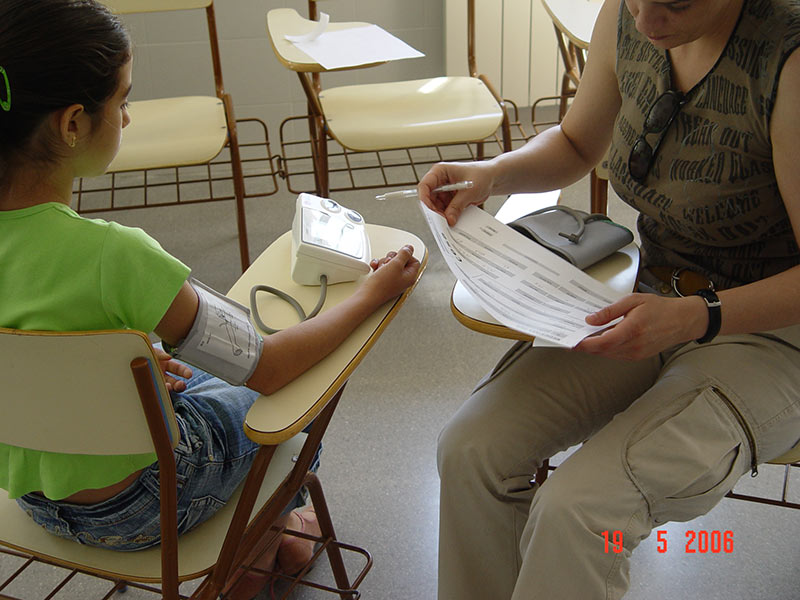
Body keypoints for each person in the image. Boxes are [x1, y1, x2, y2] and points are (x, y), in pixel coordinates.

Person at [0, 1, 420, 598]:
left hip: (33, 501)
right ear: (72, 124)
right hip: (148, 507)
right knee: (295, 407)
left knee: (192, 376)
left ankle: (272, 536)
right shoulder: (113, 257)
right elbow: (269, 368)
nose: (128, 118)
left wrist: (109, 374)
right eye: (122, 101)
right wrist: (372, 294)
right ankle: (266, 544)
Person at [420, 0, 800, 598]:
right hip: (654, 297)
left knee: (579, 511)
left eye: (673, 3)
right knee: (471, 450)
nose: (646, 22)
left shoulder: (786, 59)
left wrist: (697, 317)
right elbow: (576, 143)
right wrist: (494, 173)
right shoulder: (627, 19)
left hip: (767, 333)